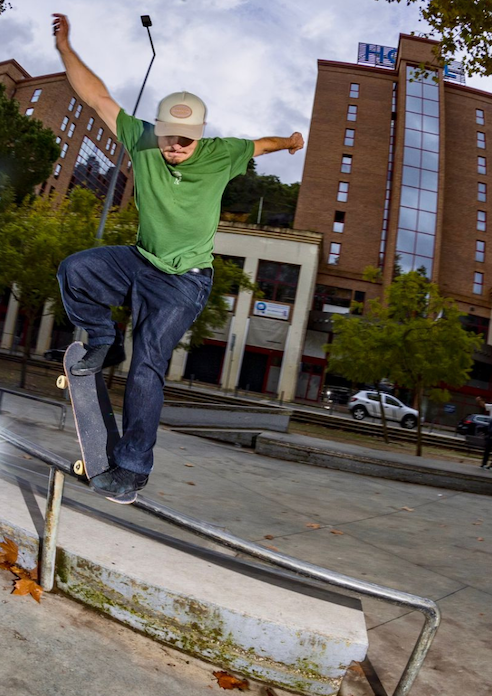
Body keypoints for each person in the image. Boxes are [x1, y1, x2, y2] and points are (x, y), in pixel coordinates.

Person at [51, 13, 305, 503]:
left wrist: (292, 142)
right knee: (75, 270)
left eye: (184, 140)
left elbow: (264, 143)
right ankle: (104, 339)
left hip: (184, 281)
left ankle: (133, 467)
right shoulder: (142, 137)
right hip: (140, 261)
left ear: (202, 134)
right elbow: (97, 96)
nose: (172, 146)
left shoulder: (221, 152)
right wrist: (65, 47)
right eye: (167, 136)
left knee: (149, 362)